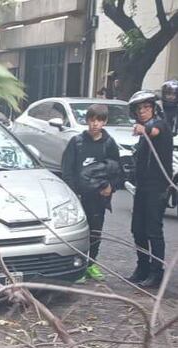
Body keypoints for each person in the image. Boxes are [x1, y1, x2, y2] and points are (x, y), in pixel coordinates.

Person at [60, 103, 122, 282]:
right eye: (92, 120)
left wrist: (111, 186)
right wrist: (73, 193)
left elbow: (117, 170)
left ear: (105, 122)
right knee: (78, 231)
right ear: (87, 120)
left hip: (99, 197)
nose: (95, 124)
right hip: (80, 196)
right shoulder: (77, 142)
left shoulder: (109, 144)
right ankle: (77, 266)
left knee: (95, 231)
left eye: (100, 120)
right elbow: (68, 170)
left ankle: (91, 264)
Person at [127, 90, 174, 289]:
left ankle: (157, 272)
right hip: (143, 187)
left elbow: (154, 130)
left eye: (146, 107)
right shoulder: (145, 129)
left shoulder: (159, 125)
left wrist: (143, 129)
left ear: (154, 109)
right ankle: (143, 267)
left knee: (153, 230)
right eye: (139, 109)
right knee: (137, 229)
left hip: (158, 187)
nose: (143, 111)